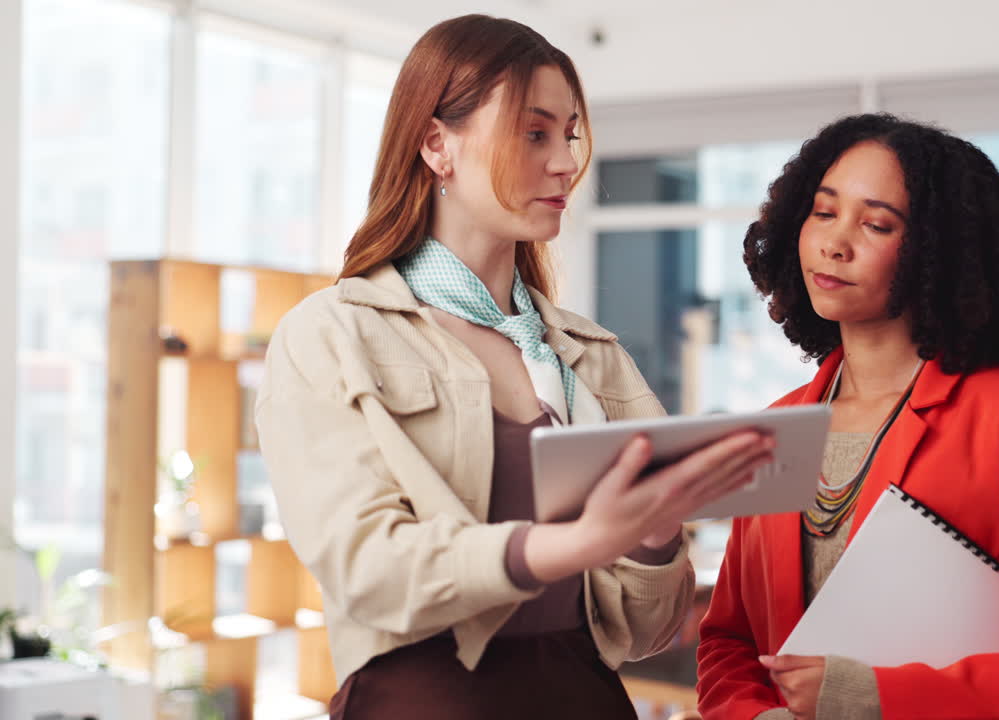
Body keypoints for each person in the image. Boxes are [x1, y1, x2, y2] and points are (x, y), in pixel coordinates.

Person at [255, 15, 774, 719]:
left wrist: (655, 531)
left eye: (569, 135)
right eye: (534, 133)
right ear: (437, 144)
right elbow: (366, 568)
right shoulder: (333, 335)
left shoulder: (591, 358)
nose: (564, 162)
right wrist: (569, 545)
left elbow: (648, 632)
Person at [696, 113, 999, 720]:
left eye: (876, 224)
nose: (835, 242)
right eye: (823, 213)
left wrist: (873, 698)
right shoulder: (779, 424)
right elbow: (730, 641)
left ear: (939, 255)